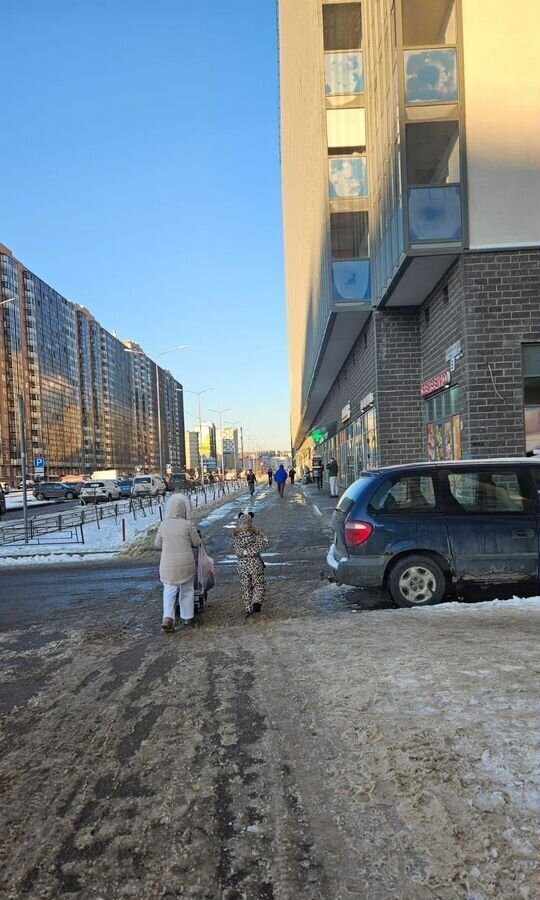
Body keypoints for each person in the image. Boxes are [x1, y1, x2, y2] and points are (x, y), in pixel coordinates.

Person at [154, 494, 201, 633]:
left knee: (169, 590)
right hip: (186, 563)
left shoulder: (163, 524)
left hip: (167, 565)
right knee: (187, 589)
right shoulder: (187, 524)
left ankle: (168, 618)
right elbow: (196, 542)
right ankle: (187, 617)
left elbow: (157, 544)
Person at [232, 512, 269, 616]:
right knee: (258, 583)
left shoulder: (236, 536)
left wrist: (243, 553)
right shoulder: (255, 534)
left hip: (242, 564)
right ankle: (256, 601)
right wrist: (259, 532)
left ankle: (248, 606)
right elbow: (266, 543)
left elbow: (234, 549)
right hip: (255, 562)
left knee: (245, 585)